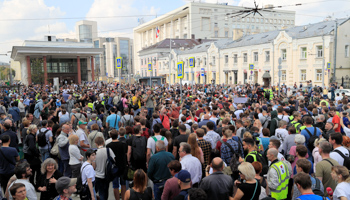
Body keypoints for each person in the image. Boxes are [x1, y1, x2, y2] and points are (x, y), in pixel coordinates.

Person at [106, 129, 127, 200]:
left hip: (114, 167)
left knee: (115, 185)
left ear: (110, 136)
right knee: (123, 184)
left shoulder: (108, 146)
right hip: (122, 165)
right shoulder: (122, 144)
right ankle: (124, 198)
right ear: (118, 134)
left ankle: (117, 198)